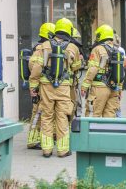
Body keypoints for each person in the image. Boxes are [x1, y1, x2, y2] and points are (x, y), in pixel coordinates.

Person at [31, 18, 81, 158]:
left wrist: (33, 86)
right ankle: (62, 150)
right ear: (69, 30)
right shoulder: (73, 47)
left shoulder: (44, 45)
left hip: (46, 86)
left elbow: (36, 67)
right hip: (64, 87)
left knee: (47, 116)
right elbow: (76, 67)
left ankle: (46, 150)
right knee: (62, 116)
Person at [27, 22, 56, 150]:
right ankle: (32, 140)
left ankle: (38, 138)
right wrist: (34, 86)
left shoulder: (41, 47)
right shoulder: (40, 48)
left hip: (40, 85)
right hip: (39, 86)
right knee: (37, 113)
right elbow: (34, 66)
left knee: (41, 113)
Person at [81, 24, 121, 117]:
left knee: (93, 115)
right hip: (114, 88)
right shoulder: (117, 50)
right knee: (110, 117)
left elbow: (93, 69)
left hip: (99, 88)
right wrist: (120, 89)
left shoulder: (97, 49)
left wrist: (84, 86)